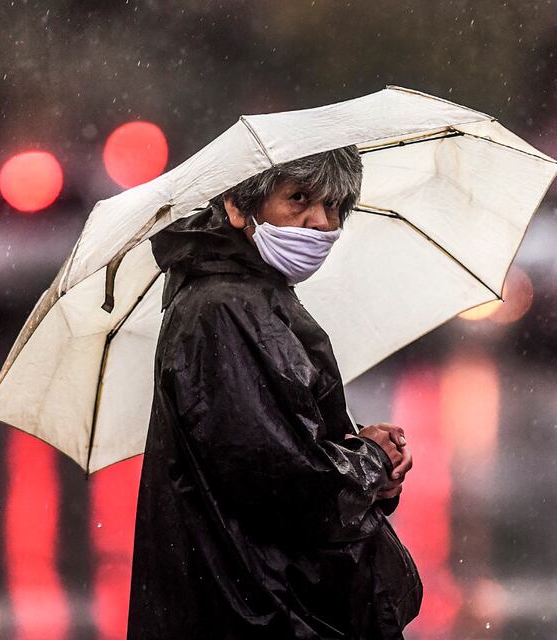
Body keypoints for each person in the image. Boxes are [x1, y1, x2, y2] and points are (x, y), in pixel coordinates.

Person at [126, 145, 422, 639]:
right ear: (238, 207)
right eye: (299, 198)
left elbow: (280, 443)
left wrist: (364, 460)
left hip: (270, 604)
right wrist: (370, 462)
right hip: (263, 611)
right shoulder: (225, 310)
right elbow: (283, 482)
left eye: (333, 205)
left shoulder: (254, 297)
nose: (320, 221)